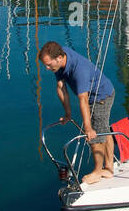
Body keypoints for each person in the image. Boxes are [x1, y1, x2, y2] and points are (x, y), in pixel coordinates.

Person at [39, 41, 116, 182]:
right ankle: (109, 168)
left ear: (59, 58)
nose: (47, 68)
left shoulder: (79, 70)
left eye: (48, 64)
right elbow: (61, 87)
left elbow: (83, 100)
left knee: (96, 135)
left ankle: (98, 172)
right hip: (94, 96)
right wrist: (68, 114)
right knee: (104, 128)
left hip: (101, 97)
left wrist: (88, 128)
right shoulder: (60, 61)